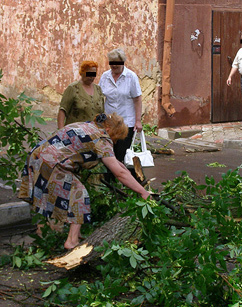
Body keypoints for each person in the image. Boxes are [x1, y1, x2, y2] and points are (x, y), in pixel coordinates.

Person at [19, 113, 151, 250]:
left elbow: (116, 164)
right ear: (110, 130)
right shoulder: (101, 139)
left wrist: (123, 167)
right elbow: (119, 173)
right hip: (51, 163)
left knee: (68, 193)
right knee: (79, 195)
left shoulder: (89, 126)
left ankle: (66, 234)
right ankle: (71, 242)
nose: (115, 143)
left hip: (38, 156)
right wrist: (142, 192)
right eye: (116, 139)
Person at [99, 48, 142, 162]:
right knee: (108, 152)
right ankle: (110, 178)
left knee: (122, 153)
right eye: (112, 63)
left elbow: (137, 99)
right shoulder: (105, 76)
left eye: (117, 63)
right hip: (109, 121)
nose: (114, 66)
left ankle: (122, 176)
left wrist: (138, 121)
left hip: (126, 122)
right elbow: (99, 96)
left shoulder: (131, 77)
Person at [57, 61, 104, 129]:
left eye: (94, 74)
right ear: (82, 73)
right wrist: (61, 131)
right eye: (89, 74)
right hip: (75, 133)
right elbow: (63, 110)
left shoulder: (98, 89)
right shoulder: (73, 88)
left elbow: (102, 112)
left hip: (94, 134)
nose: (91, 77)